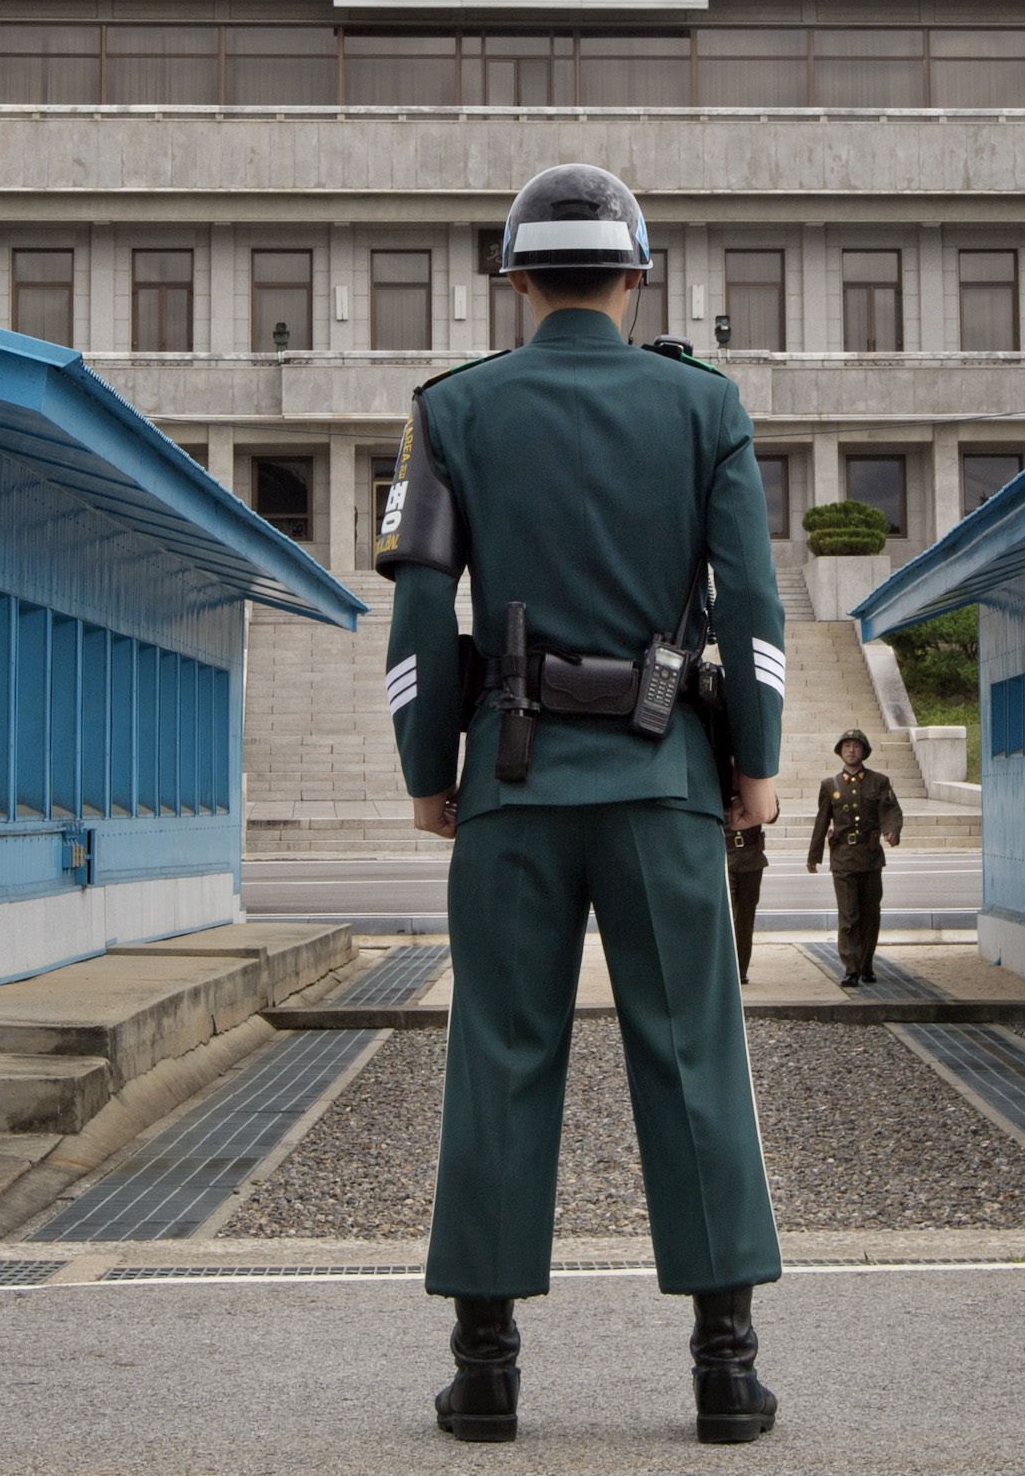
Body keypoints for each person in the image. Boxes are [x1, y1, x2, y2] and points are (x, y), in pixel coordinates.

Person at [380, 162, 787, 1446]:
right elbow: (752, 604)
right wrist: (758, 759)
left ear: (514, 276)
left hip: (510, 775)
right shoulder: (702, 404)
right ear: (635, 271)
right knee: (692, 1058)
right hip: (663, 781)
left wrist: (424, 767)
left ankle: (485, 1368)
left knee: (498, 1059)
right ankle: (724, 1367)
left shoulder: (452, 409)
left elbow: (415, 606)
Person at [806, 729, 902, 986]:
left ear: (864, 751)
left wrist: (892, 830)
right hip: (843, 859)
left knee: (871, 914)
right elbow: (822, 820)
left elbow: (890, 810)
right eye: (846, 746)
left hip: (870, 857)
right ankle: (851, 967)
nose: (851, 750)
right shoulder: (830, 785)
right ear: (840, 751)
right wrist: (814, 854)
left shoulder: (878, 782)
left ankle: (866, 964)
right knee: (849, 915)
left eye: (856, 746)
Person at [725, 819, 770, 984]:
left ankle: (741, 969)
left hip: (751, 858)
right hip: (725, 855)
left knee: (745, 918)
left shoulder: (754, 791)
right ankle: (726, 966)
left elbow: (772, 815)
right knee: (727, 914)